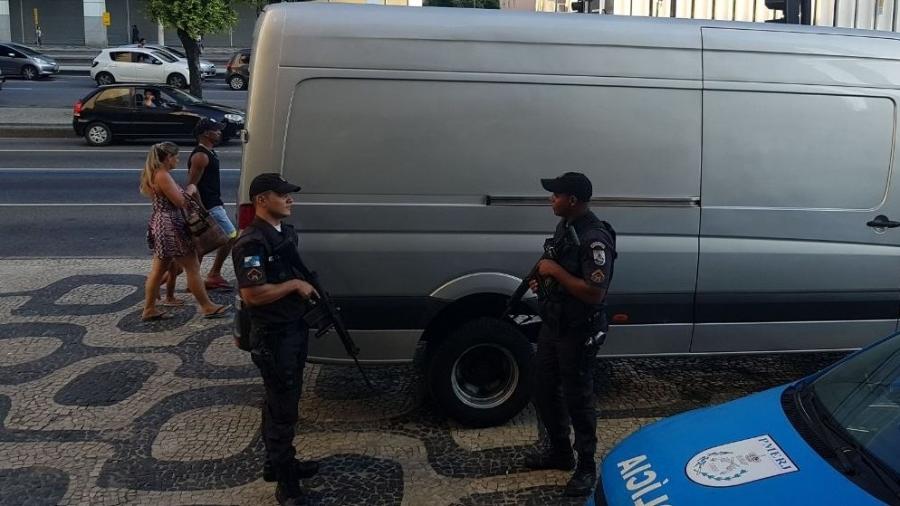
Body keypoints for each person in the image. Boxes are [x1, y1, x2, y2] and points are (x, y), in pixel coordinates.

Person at [523, 171, 616, 497]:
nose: (551, 198)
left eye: (556, 194)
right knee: (543, 387)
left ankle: (586, 467)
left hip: (579, 329)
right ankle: (560, 452)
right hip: (555, 324)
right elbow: (561, 273)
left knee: (578, 397)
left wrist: (555, 272)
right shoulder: (566, 228)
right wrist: (543, 281)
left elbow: (594, 292)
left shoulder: (594, 237)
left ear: (572, 200)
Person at [232, 173, 321, 505]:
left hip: (292, 329)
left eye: (289, 195)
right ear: (262, 200)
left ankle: (278, 463)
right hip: (275, 337)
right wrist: (294, 287)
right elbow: (253, 293)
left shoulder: (282, 234)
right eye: (282, 195)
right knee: (283, 409)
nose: (290, 199)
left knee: (281, 401)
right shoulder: (252, 242)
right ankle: (287, 488)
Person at [139, 142, 231, 321]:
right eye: (176, 157)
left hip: (161, 224)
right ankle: (207, 306)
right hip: (171, 225)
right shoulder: (163, 175)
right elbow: (180, 201)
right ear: (167, 158)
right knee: (192, 267)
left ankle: (149, 308)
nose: (178, 160)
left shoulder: (154, 174)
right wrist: (190, 189)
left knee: (158, 270)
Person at [188, 118, 237, 290]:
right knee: (230, 236)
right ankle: (212, 274)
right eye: (216, 130)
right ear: (206, 134)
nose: (220, 132)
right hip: (209, 206)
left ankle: (195, 278)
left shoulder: (210, 152)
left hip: (215, 203)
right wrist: (202, 210)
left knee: (206, 244)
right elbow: (192, 186)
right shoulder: (200, 156)